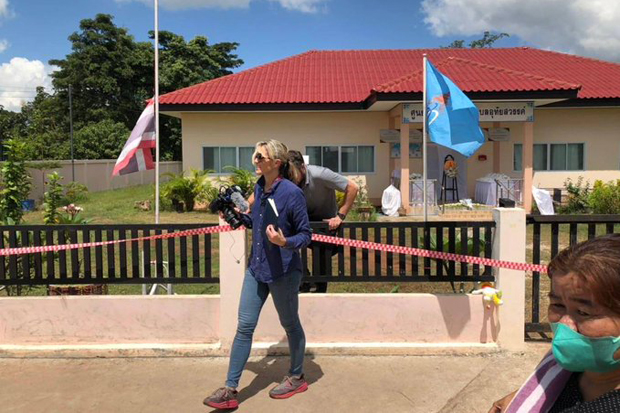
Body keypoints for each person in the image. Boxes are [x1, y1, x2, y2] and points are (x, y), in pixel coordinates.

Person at [204, 140, 311, 410]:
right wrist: (240, 217)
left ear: (276, 162)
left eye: (260, 156)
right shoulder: (259, 188)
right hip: (257, 268)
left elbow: (305, 235)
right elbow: (258, 222)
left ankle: (297, 376)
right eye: (255, 156)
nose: (256, 160)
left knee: (290, 325)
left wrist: (284, 242)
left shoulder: (292, 193)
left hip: (284, 272)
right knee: (245, 325)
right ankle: (230, 389)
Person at [489, 234, 620, 413]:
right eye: (558, 305)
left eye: (583, 312)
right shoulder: (564, 371)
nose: (565, 325)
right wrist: (523, 399)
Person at [287, 150, 359, 293]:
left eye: (292, 174)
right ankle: (304, 280)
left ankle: (319, 290)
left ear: (302, 167)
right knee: (285, 244)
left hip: (325, 223)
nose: (290, 178)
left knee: (321, 260)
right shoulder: (287, 177)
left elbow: (353, 187)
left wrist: (340, 216)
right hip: (302, 221)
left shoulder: (320, 174)